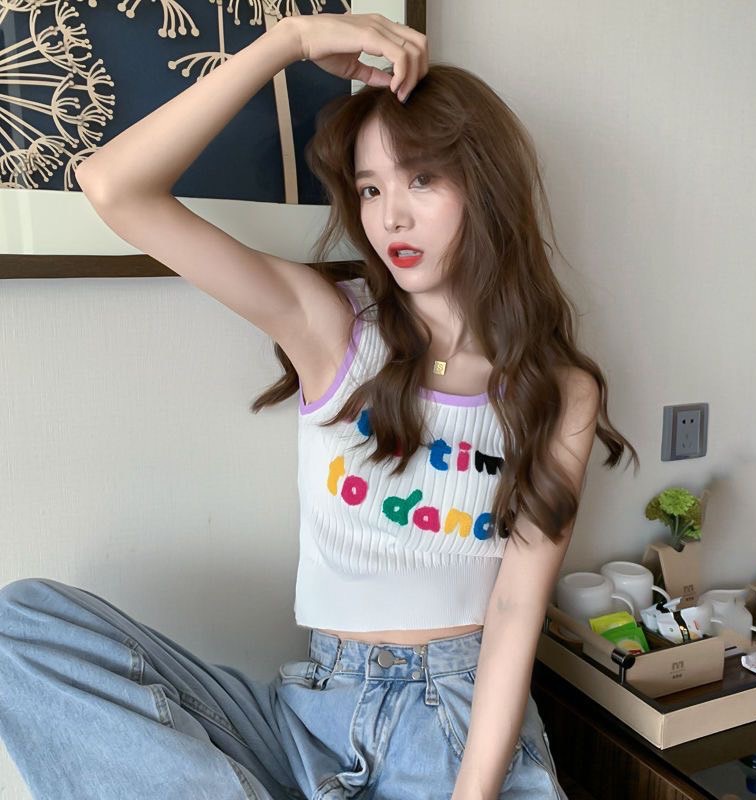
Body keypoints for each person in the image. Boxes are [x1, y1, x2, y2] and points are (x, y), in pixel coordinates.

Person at [0, 12, 638, 800]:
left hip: (453, 724)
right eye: (370, 188)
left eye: (421, 179)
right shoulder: (333, 327)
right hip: (309, 715)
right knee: (20, 624)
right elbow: (114, 186)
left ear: (487, 185)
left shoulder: (559, 390)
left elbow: (514, 611)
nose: (390, 215)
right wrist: (289, 43)